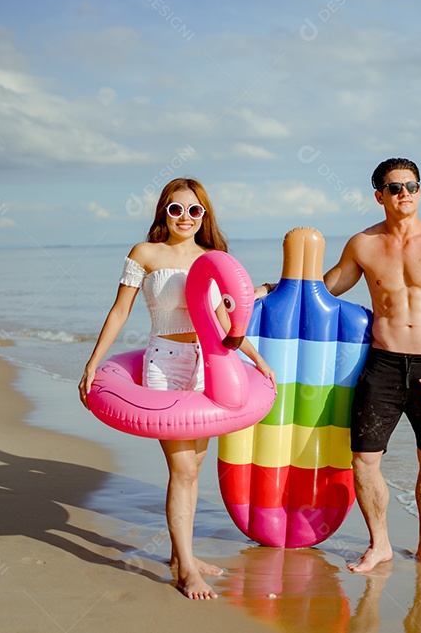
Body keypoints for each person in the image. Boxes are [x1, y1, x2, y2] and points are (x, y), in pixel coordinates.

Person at [78, 178, 275, 600]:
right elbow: (120, 311)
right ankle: (186, 570)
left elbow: (226, 323)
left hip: (208, 363)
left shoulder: (212, 259)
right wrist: (93, 361)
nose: (185, 217)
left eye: (194, 210)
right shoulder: (145, 254)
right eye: (176, 209)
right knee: (182, 469)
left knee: (192, 468)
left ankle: (179, 554)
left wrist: (258, 361)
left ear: (204, 216)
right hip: (164, 364)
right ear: (163, 212)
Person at [322, 158, 421, 574]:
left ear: (420, 191)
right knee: (363, 459)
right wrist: (273, 289)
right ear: (380, 196)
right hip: (383, 365)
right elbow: (327, 288)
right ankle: (380, 545)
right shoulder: (363, 244)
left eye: (411, 185)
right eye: (394, 187)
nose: (404, 193)